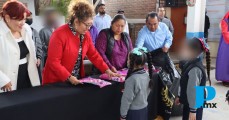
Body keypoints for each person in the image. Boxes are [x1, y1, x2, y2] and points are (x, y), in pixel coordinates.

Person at [42, 0, 118, 85]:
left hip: (75, 79)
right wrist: (69, 77)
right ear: (76, 21)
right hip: (56, 80)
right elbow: (54, 62)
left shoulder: (85, 35)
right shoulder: (59, 34)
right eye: (86, 25)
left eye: (90, 25)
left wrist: (106, 69)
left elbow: (93, 55)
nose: (88, 28)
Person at [0, 0, 40, 92]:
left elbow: (31, 49)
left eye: (24, 19)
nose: (23, 22)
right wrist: (2, 80)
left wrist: (35, 58)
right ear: (7, 18)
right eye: (19, 19)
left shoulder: (26, 29)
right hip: (8, 80)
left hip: (28, 75)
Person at [175, 37, 211, 120]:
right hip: (189, 103)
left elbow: (193, 90)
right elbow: (183, 82)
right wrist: (180, 97)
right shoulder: (189, 63)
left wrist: (193, 111)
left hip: (194, 105)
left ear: (192, 51)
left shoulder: (195, 69)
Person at [120, 47, 151, 120]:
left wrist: (123, 115)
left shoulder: (132, 79)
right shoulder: (146, 74)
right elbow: (146, 91)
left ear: (131, 62)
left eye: (128, 59)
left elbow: (126, 100)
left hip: (133, 112)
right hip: (144, 109)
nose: (127, 61)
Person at [25, 11, 43, 81]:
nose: (31, 18)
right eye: (29, 16)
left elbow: (39, 45)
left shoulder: (34, 31)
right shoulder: (18, 32)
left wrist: (39, 57)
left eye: (31, 17)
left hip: (35, 62)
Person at [216, 11, 229, 86]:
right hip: (226, 44)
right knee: (225, 61)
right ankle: (225, 79)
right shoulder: (225, 20)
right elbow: (225, 32)